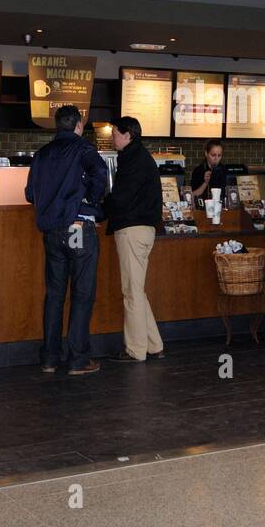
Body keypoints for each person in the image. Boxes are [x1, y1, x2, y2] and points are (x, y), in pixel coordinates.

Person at [25, 104, 109, 376]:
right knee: (82, 294)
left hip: (52, 232)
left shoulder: (41, 155)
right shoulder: (84, 150)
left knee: (55, 295)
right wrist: (89, 200)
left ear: (57, 125)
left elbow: (29, 194)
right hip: (77, 227)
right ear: (79, 125)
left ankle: (49, 358)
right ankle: (78, 359)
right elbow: (101, 178)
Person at [103, 116, 165, 363]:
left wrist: (98, 210)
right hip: (143, 229)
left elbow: (120, 197)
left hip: (132, 230)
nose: (112, 138)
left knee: (131, 292)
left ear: (128, 135)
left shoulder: (132, 161)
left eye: (115, 134)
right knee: (137, 291)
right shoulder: (140, 157)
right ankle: (154, 345)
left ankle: (135, 350)